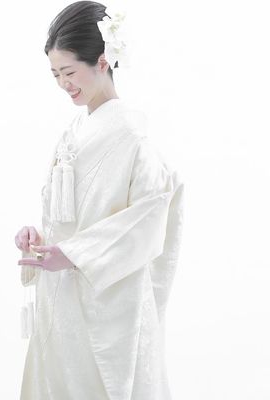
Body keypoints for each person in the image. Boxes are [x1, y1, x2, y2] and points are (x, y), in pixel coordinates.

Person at [13, 2, 185, 399]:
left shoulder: (134, 140)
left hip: (109, 305)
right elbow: (69, 219)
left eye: (69, 72)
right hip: (63, 299)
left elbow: (148, 220)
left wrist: (75, 253)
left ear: (102, 62)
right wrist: (39, 239)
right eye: (55, 74)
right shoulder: (73, 132)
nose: (63, 83)